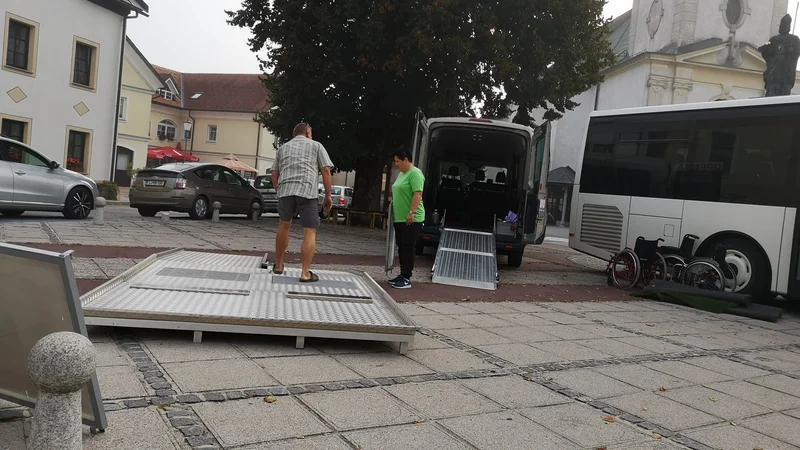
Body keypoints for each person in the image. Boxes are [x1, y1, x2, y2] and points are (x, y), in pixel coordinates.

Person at [271, 123, 333, 282]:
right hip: (307, 190)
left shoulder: (283, 148)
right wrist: (328, 195)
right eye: (311, 133)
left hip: (285, 190)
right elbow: (326, 170)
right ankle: (305, 273)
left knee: (284, 226)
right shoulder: (316, 146)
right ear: (307, 132)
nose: (311, 136)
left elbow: (274, 173)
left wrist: (280, 190)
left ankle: (278, 265)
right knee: (309, 231)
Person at [389, 148, 425, 289]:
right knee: (401, 245)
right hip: (399, 217)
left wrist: (411, 212)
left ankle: (406, 277)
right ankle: (402, 274)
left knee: (408, 246)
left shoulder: (415, 173)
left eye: (398, 161)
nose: (396, 164)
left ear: (405, 159)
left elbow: (418, 194)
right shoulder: (401, 174)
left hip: (412, 218)